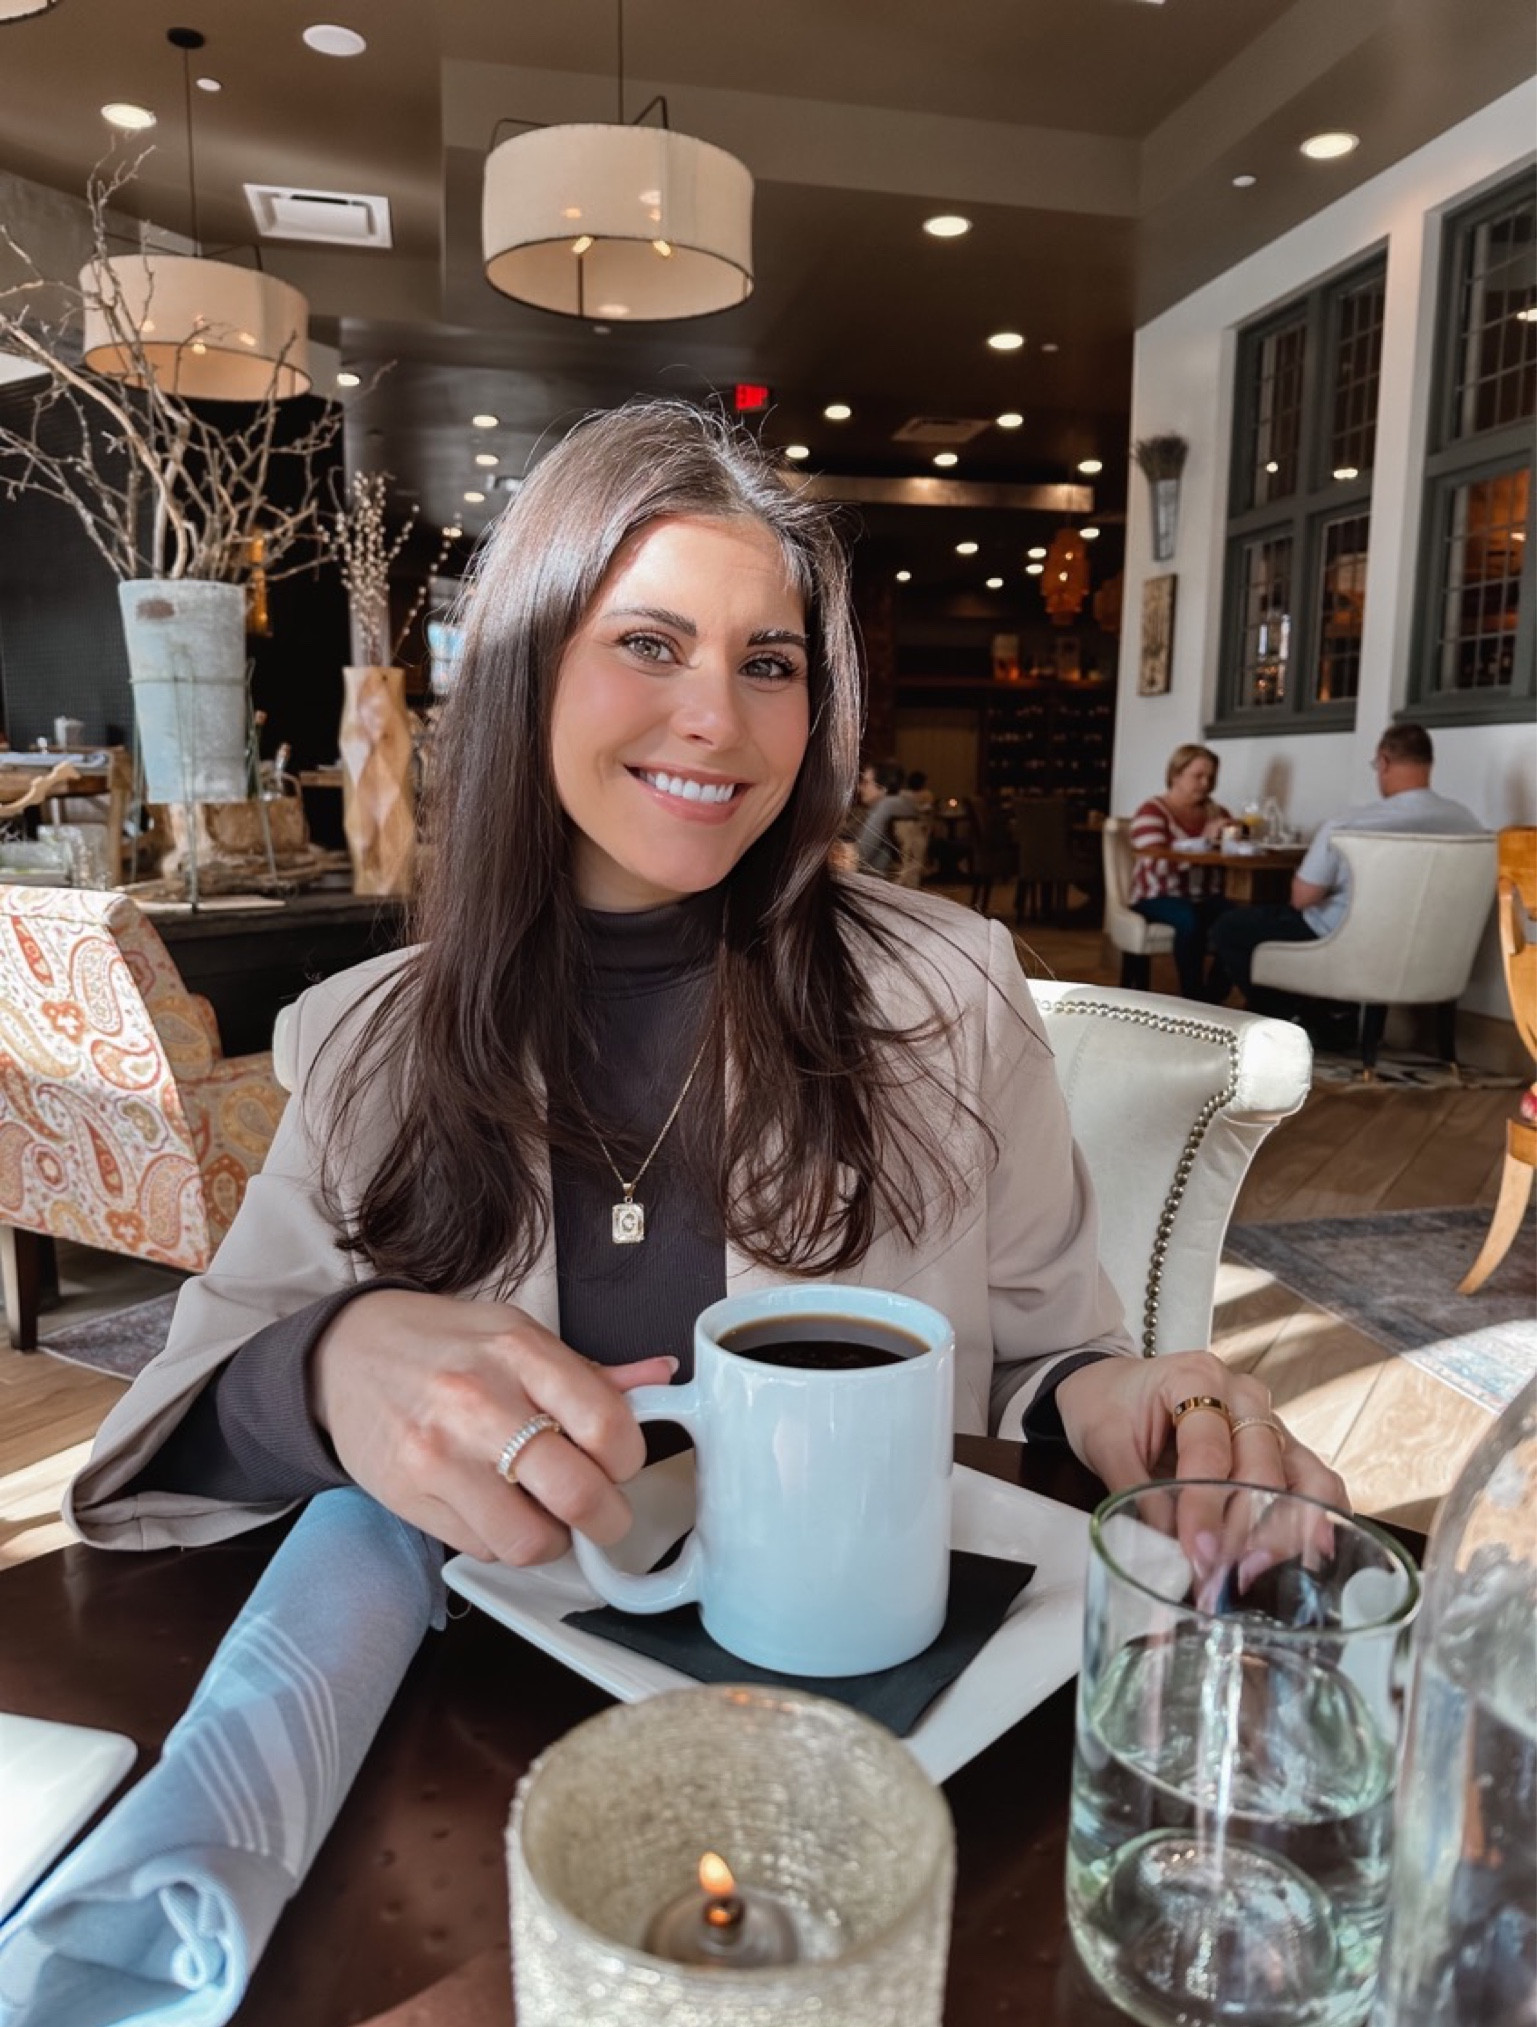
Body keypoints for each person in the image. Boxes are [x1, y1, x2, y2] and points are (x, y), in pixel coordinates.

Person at [66, 401, 1343, 1569]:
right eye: (648, 643)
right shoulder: (365, 1034)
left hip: (856, 1653)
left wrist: (1133, 1396)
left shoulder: (947, 987)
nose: (718, 720)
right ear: (526, 670)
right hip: (492, 1695)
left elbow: (1048, 1349)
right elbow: (171, 1435)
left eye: (768, 663)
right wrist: (326, 1364)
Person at [1210, 722, 1484, 1013]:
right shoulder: (1467, 823)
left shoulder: (1349, 825)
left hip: (1347, 945)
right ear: (1429, 764)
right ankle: (1325, 1016)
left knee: (1229, 927)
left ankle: (1290, 1017)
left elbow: (1302, 898)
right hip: (1433, 953)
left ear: (1384, 762)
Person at [1127, 744, 1232, 1001]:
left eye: (1211, 777)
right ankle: (1192, 997)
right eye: (1198, 776)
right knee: (1189, 918)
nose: (1206, 784)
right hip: (1156, 896)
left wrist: (1236, 839)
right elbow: (1157, 865)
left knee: (1241, 921)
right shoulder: (1151, 811)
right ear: (1176, 775)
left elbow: (1230, 858)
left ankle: (1213, 998)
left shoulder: (1217, 812)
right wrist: (1205, 840)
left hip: (1204, 897)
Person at [854, 759, 919, 875]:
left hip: (872, 881)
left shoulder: (886, 806)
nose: (859, 788)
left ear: (883, 788)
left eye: (865, 783)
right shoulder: (884, 809)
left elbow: (859, 857)